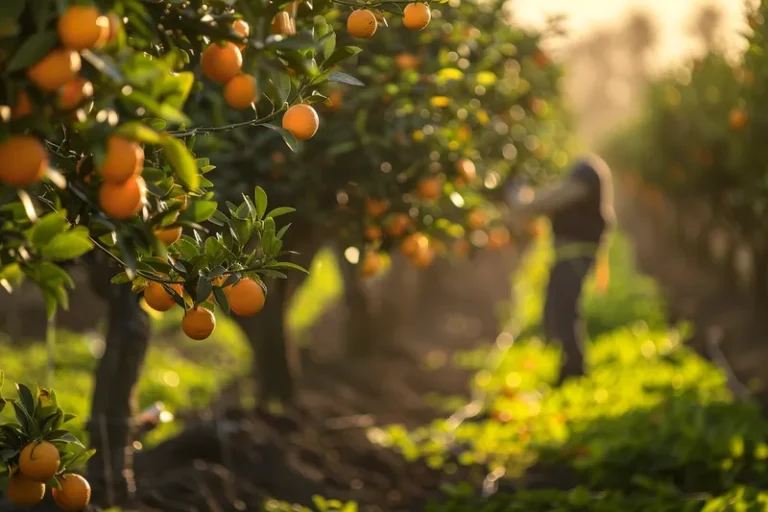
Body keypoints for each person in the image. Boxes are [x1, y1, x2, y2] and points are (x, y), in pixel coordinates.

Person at [505, 154, 615, 385]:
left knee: (565, 310)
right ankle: (569, 366)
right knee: (556, 308)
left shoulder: (586, 174)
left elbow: (551, 200)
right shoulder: (587, 173)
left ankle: (574, 370)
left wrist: (520, 197)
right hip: (570, 254)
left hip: (574, 255)